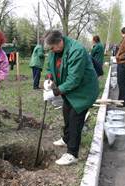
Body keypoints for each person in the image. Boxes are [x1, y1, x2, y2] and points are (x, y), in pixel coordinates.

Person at [42, 30, 99, 166]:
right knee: (66, 113)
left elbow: (74, 80)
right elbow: (50, 68)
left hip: (83, 91)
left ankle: (72, 153)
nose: (52, 51)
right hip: (69, 91)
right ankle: (67, 138)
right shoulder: (54, 52)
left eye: (53, 48)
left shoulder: (76, 50)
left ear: (60, 41)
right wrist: (49, 79)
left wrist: (55, 92)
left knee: (75, 119)